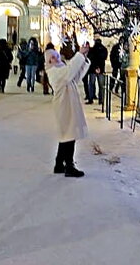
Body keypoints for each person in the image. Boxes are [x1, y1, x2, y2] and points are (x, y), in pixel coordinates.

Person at [45, 43, 90, 177]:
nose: (56, 59)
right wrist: (80, 55)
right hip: (64, 106)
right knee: (68, 135)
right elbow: (69, 72)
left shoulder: (61, 69)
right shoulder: (54, 72)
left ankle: (59, 163)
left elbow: (75, 76)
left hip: (69, 105)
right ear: (48, 61)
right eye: (53, 57)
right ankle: (69, 165)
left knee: (66, 134)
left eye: (56, 56)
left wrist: (83, 60)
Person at [87, 38, 108, 105]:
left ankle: (91, 98)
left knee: (92, 85)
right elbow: (103, 58)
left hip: (94, 69)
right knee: (101, 85)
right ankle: (100, 100)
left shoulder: (92, 50)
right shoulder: (103, 49)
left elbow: (90, 58)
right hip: (100, 69)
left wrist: (95, 67)